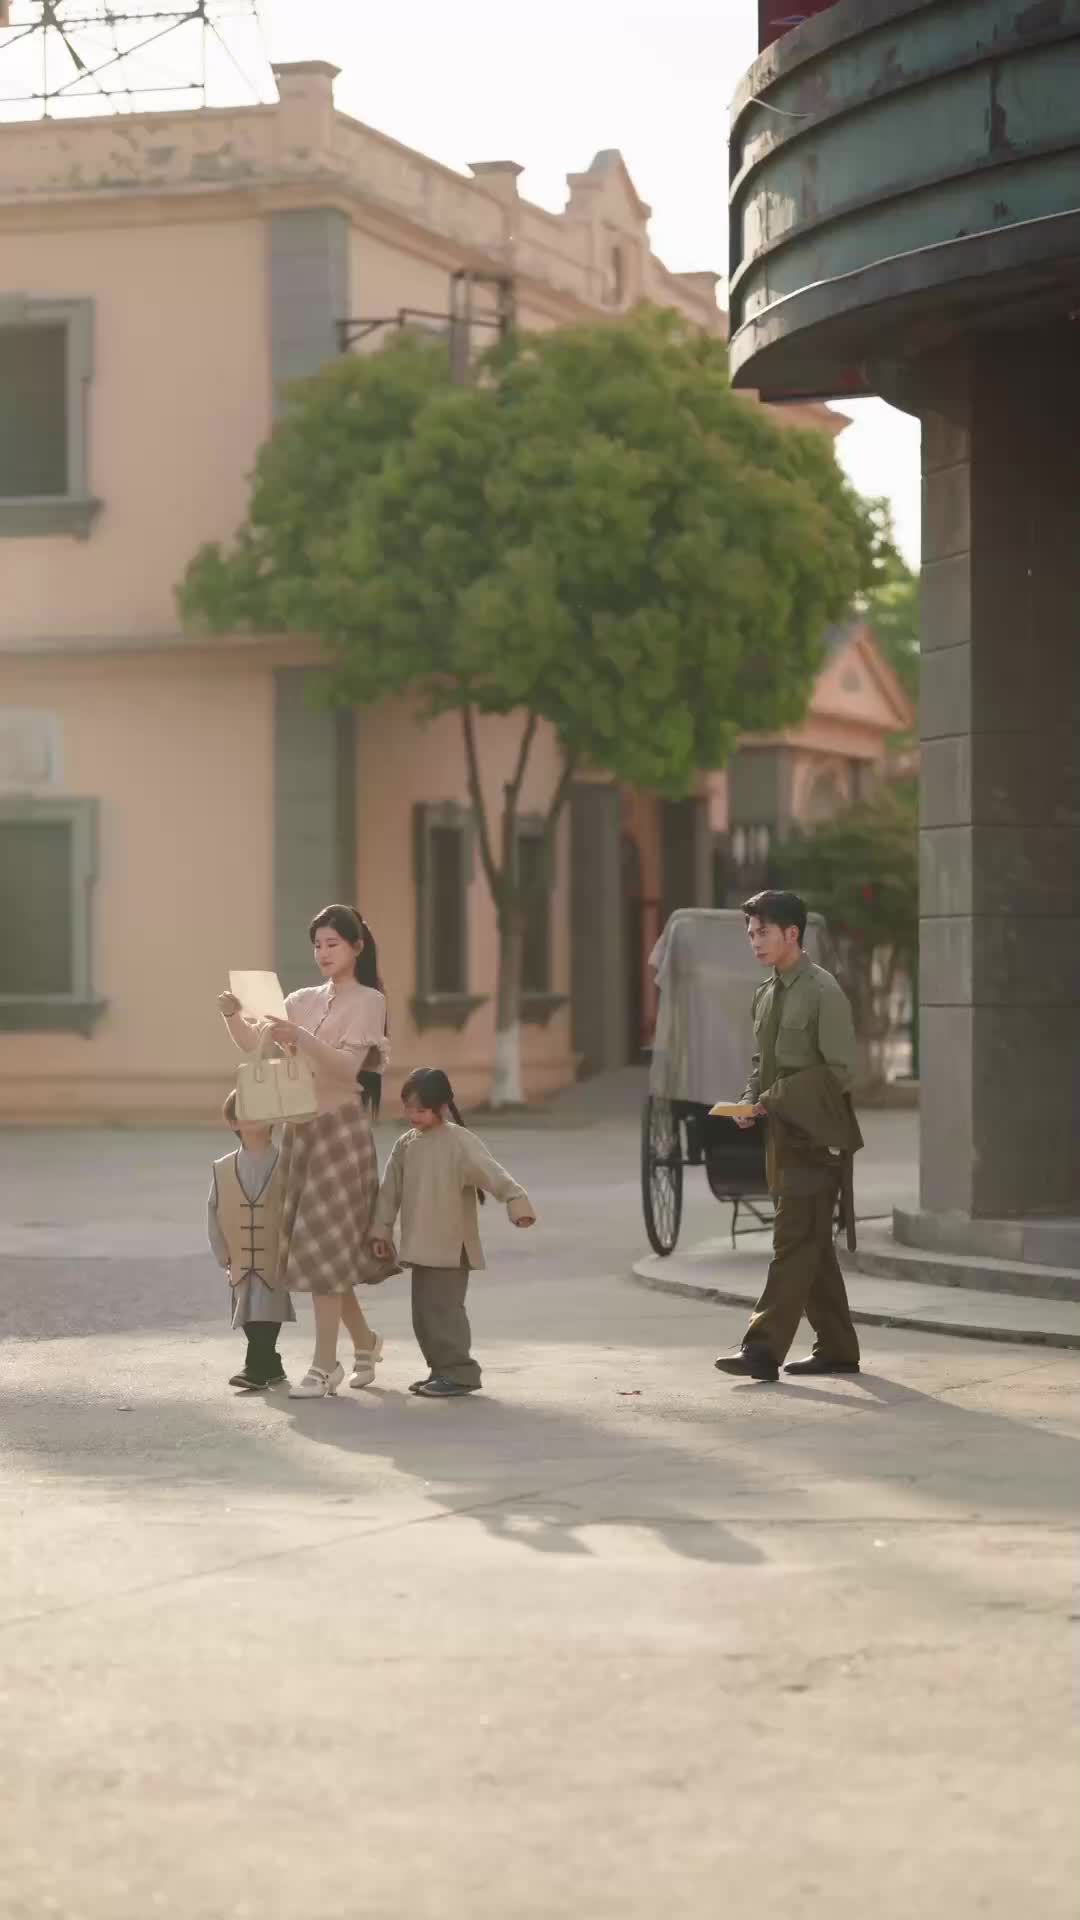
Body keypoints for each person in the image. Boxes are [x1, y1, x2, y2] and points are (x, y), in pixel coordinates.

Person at [217, 903, 397, 1401]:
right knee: (322, 1251)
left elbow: (345, 1069)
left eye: (332, 944)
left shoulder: (370, 1001)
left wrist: (300, 1038)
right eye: (317, 945)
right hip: (300, 1131)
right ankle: (364, 1341)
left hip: (340, 1133)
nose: (323, 953)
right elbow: (253, 1044)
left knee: (326, 1249)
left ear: (356, 947)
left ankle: (324, 1366)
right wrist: (232, 1014)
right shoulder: (300, 999)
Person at [714, 889, 863, 1384]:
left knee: (792, 1241)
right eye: (750, 934)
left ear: (792, 933)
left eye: (763, 932)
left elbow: (841, 1071)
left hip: (818, 1137)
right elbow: (764, 1063)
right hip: (780, 1135)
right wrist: (750, 1100)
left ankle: (761, 1349)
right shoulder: (765, 992)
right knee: (811, 1243)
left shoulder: (823, 991)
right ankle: (837, 1348)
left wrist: (774, 1097)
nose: (754, 942)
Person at [370, 1067, 536, 1398]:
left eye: (420, 1109)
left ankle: (460, 1373)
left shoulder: (460, 1142)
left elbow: (493, 1174)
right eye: (408, 1108)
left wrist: (517, 1202)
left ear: (442, 1106)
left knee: (445, 1313)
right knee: (424, 1316)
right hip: (421, 1246)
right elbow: (390, 1190)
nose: (412, 1115)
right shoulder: (406, 1145)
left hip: (451, 1247)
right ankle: (441, 1370)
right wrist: (381, 1231)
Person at [207, 1090, 295, 1391]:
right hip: (241, 1256)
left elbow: (298, 1208)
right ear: (233, 1123)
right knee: (246, 1312)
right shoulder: (222, 1168)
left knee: (268, 1309)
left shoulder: (287, 1163)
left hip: (275, 1256)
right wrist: (223, 1254)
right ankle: (271, 1365)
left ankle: (254, 1368)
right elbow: (213, 1211)